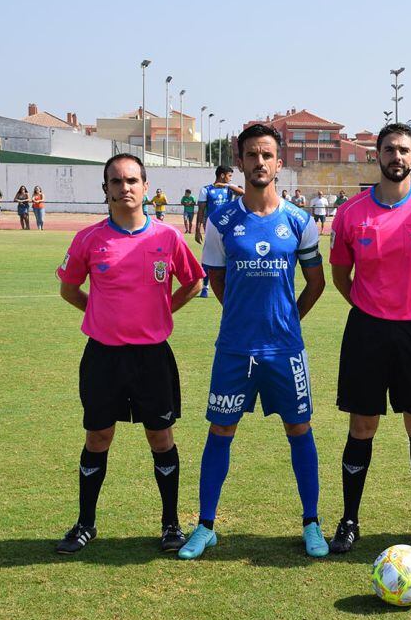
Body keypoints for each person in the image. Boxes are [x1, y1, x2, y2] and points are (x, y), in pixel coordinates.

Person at [178, 124, 329, 560]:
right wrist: (243, 317)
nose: (259, 162)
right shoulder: (222, 221)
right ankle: (206, 526)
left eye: (267, 155)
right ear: (240, 162)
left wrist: (287, 320)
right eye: (251, 155)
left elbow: (316, 284)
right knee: (220, 430)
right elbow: (217, 280)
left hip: (285, 350)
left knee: (299, 429)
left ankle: (312, 523)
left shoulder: (299, 220)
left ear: (278, 163)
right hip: (235, 348)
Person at [54, 153, 204, 555]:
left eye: (132, 180)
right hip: (103, 356)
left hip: (152, 357)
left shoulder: (167, 237)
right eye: (117, 181)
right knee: (98, 435)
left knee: (160, 436)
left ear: (146, 187)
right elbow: (69, 289)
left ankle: (170, 524)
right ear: (106, 189)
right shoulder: (88, 239)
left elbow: (193, 282)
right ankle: (86, 523)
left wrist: (162, 311)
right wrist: (101, 313)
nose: (125, 188)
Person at [327, 123, 411, 555]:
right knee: (362, 425)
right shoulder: (351, 212)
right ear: (377, 155)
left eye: (404, 150)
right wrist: (370, 306)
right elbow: (341, 275)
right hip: (367, 331)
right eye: (389, 149)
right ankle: (349, 520)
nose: (396, 157)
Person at [195, 165, 244, 298]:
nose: (230, 178)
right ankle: (205, 287)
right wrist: (197, 230)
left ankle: (229, 285)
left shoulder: (229, 189)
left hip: (229, 227)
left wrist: (227, 185)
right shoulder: (206, 190)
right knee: (209, 257)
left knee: (229, 256)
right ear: (222, 175)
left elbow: (243, 193)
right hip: (212, 228)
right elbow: (201, 210)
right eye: (229, 175)